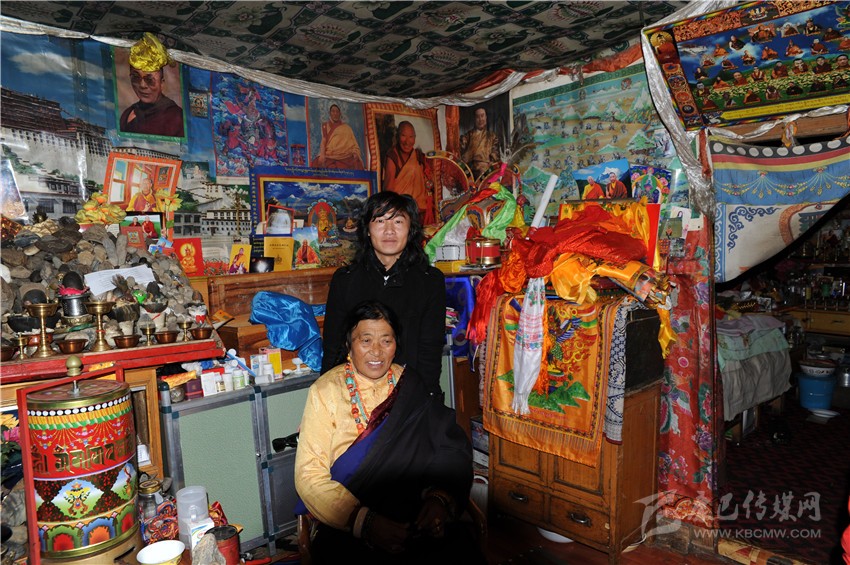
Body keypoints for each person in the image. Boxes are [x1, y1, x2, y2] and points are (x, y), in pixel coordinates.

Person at [294, 301, 483, 564]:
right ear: (349, 344)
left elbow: (448, 446)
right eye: (366, 340)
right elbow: (309, 476)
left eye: (386, 341)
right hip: (351, 519)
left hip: (415, 512)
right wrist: (365, 522)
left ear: (396, 345)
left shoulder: (410, 384)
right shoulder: (325, 391)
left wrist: (439, 498)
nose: (376, 351)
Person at [321, 191, 446, 389]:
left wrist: (423, 398)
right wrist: (329, 392)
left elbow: (430, 351)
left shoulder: (430, 281)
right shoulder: (345, 280)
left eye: (398, 222)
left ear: (410, 230)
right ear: (367, 229)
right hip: (356, 393)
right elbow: (333, 347)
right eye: (380, 221)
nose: (389, 231)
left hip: (409, 392)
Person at [119, 33, 184, 137]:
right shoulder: (128, 113)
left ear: (162, 82)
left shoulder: (175, 117)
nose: (142, 85)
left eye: (149, 80)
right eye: (135, 77)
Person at [383, 121, 434, 224]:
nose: (407, 142)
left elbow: (428, 182)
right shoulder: (393, 156)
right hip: (399, 212)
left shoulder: (419, 156)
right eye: (403, 136)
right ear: (397, 136)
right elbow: (388, 189)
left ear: (414, 138)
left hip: (418, 211)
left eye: (411, 137)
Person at [312, 103, 364, 169]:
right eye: (333, 111)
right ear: (330, 113)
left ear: (340, 114)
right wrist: (322, 155)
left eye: (337, 112)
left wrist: (355, 152)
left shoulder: (347, 128)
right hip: (330, 155)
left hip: (345, 156)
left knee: (357, 164)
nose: (335, 113)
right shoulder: (325, 126)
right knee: (316, 163)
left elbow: (354, 144)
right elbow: (324, 141)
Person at [459, 107, 500, 180]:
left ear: (486, 117)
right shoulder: (467, 137)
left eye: (482, 116)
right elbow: (460, 156)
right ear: (474, 119)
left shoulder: (492, 137)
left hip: (487, 174)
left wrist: (488, 167)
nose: (480, 119)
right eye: (477, 117)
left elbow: (495, 155)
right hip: (470, 175)